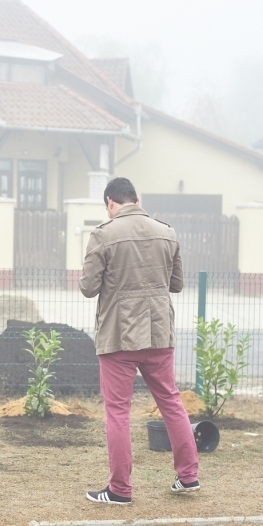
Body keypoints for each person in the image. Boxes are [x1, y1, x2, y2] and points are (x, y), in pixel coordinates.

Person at [79, 177, 198, 505]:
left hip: (119, 335)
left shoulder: (103, 234)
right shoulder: (167, 231)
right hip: (159, 333)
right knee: (171, 401)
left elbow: (88, 287)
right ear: (137, 198)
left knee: (117, 411)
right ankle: (188, 476)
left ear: (110, 203)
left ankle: (119, 489)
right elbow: (176, 284)